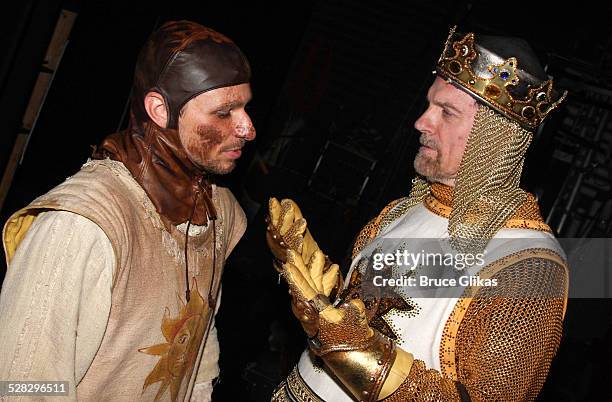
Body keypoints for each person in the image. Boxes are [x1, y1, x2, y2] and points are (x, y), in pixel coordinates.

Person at [265, 26, 569, 401]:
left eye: (447, 112)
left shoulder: (526, 264)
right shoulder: (401, 211)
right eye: (429, 105)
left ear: (496, 134)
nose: (421, 122)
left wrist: (355, 349)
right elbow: (370, 316)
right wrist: (315, 280)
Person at [0, 20, 255, 401]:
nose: (248, 129)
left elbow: (197, 333)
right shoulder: (81, 227)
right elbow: (24, 383)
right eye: (224, 113)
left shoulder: (219, 210)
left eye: (246, 108)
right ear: (160, 109)